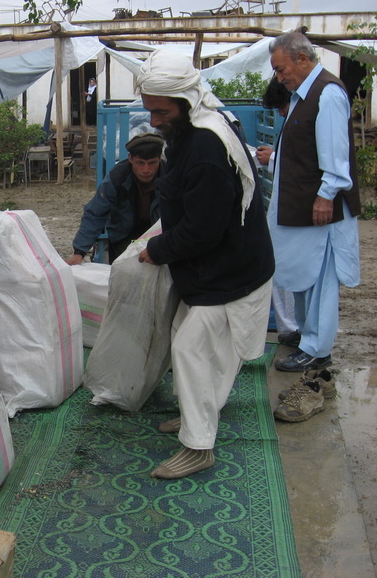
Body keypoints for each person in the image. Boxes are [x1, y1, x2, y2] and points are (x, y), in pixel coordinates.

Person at [135, 49, 275, 479]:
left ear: (185, 102)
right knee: (189, 336)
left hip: (233, 271)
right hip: (218, 265)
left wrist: (157, 250)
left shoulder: (207, 144)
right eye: (150, 110)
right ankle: (199, 412)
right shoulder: (195, 127)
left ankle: (198, 446)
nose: (154, 120)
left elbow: (203, 230)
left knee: (191, 348)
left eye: (161, 112)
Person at [267, 31, 361, 374]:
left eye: (281, 69)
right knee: (303, 273)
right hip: (302, 205)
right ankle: (306, 334)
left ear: (303, 60)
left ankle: (317, 350)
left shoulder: (328, 93)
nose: (279, 77)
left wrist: (325, 197)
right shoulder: (302, 95)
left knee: (321, 280)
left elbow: (336, 156)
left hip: (321, 208)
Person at [65, 133, 164, 266]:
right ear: (130, 158)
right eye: (140, 163)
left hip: (159, 238)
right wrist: (79, 252)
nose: (146, 170)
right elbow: (95, 213)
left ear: (159, 159)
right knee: (121, 272)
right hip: (123, 235)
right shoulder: (117, 177)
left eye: (152, 163)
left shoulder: (170, 177)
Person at [256, 77, 302, 348]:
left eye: (282, 108)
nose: (282, 113)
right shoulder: (293, 120)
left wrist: (272, 159)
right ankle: (290, 328)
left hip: (294, 210)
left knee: (289, 269)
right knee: (281, 268)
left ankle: (294, 329)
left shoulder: (304, 117)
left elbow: (302, 164)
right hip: (284, 208)